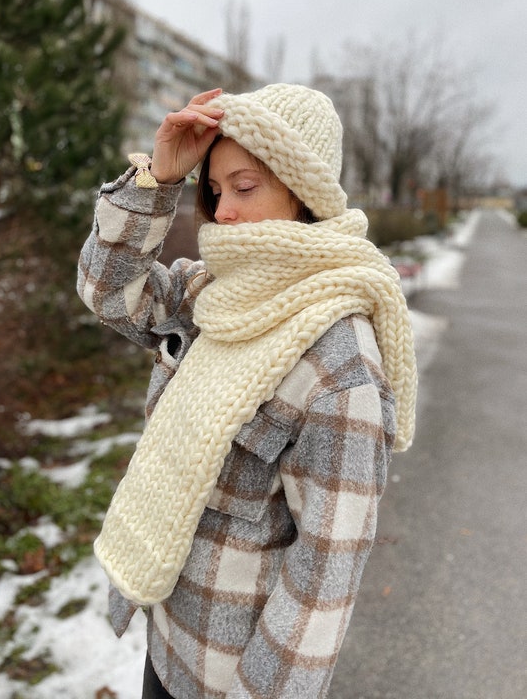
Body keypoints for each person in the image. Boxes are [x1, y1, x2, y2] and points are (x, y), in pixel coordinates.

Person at [77, 84, 418, 698]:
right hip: (167, 636)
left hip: (226, 677)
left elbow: (324, 578)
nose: (223, 212)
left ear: (302, 192)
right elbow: (109, 292)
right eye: (214, 191)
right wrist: (157, 180)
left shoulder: (340, 362)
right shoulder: (211, 292)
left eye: (245, 187)